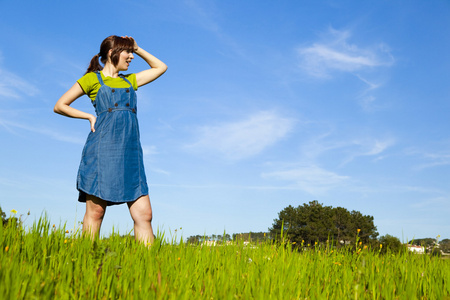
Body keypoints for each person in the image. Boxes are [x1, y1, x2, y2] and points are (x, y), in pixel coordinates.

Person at [54, 35, 167, 244]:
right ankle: (86, 265)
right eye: (127, 52)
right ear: (111, 53)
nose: (131, 57)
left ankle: (150, 271)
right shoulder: (91, 79)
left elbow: (160, 67)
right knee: (96, 213)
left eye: (132, 53)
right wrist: (88, 115)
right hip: (102, 151)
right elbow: (60, 105)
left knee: (145, 215)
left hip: (131, 154)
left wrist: (138, 47)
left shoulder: (130, 80)